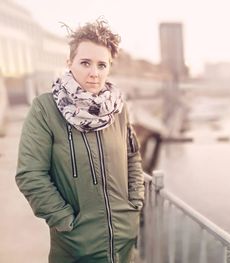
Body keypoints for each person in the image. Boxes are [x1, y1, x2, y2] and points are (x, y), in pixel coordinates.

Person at [15, 19, 144, 263]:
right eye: (85, 63)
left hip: (123, 243)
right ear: (69, 63)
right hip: (74, 248)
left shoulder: (118, 109)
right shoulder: (46, 108)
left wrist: (134, 204)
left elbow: (132, 157)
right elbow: (30, 174)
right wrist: (66, 221)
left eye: (101, 65)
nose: (94, 73)